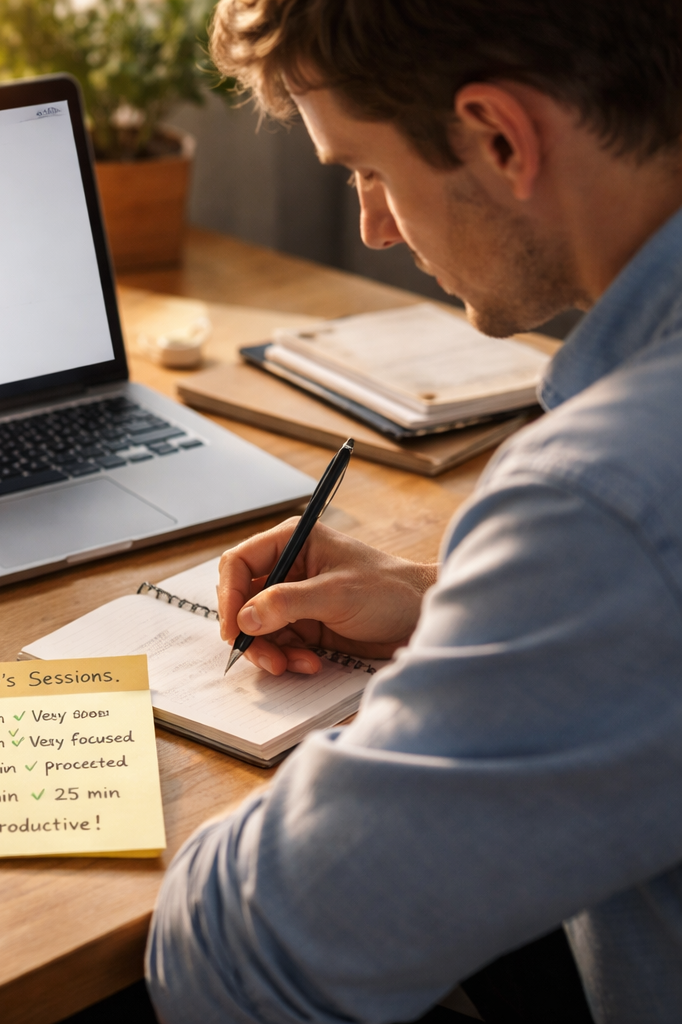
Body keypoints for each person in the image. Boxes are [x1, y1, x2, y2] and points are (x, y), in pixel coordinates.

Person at [144, 1, 682, 1021]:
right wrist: (442, 606)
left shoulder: (603, 499)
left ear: (496, 136)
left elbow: (237, 965)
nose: (372, 225)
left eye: (366, 169)